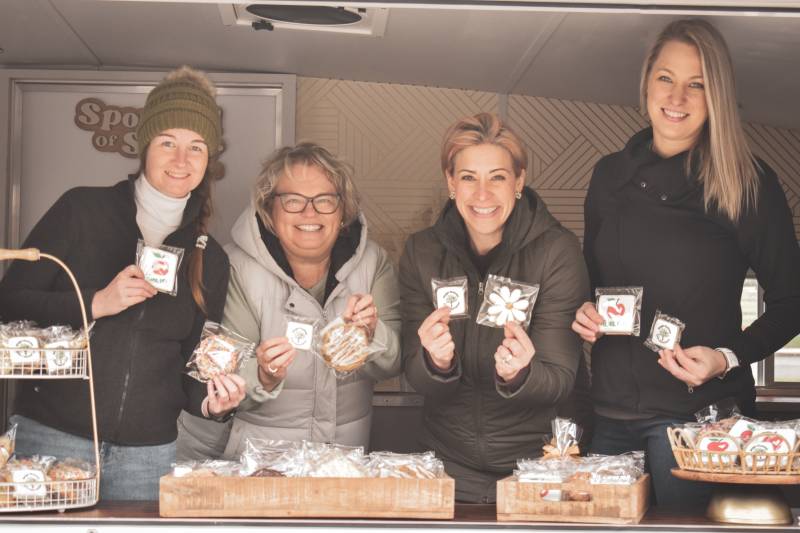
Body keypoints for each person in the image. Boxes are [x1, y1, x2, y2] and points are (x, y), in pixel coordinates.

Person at [572, 19, 800, 509]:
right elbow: (594, 282)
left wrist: (726, 357)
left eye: (697, 84)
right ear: (646, 82)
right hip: (609, 414)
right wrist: (585, 312)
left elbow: (792, 302)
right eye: (666, 78)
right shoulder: (608, 175)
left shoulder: (748, 183)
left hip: (698, 419)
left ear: (716, 94)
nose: (678, 96)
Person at [0, 66, 246, 500]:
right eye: (168, 142)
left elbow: (192, 364)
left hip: (148, 455)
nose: (181, 160)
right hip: (53, 440)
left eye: (196, 147)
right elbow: (8, 302)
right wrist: (94, 303)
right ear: (144, 145)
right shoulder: (81, 210)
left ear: (210, 159)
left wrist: (213, 404)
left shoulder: (211, 258)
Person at [400, 112, 590, 503]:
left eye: (497, 177)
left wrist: (520, 374)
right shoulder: (421, 251)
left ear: (519, 182)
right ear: (450, 182)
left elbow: (559, 378)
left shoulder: (557, 251)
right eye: (468, 177)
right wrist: (435, 362)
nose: (482, 194)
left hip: (540, 467)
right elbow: (414, 377)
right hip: (449, 464)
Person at [176, 142, 402, 460]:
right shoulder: (234, 266)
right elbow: (223, 374)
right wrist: (263, 376)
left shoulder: (373, 262)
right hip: (256, 460)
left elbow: (393, 365)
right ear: (269, 209)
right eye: (293, 200)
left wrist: (372, 335)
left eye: (324, 200)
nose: (310, 213)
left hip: (342, 460)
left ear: (343, 211)